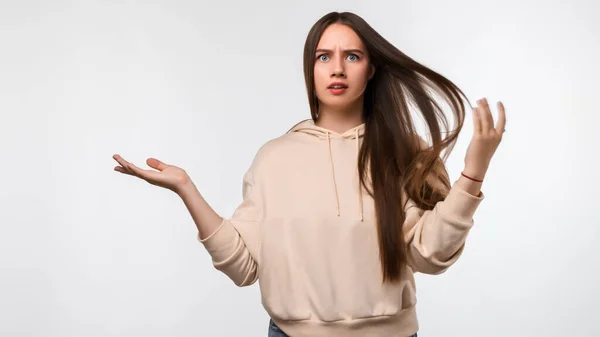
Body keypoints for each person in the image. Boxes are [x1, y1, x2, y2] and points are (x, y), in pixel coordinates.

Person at [113, 11, 506, 337]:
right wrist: (185, 188)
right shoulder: (273, 159)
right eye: (323, 57)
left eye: (352, 56)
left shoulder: (405, 151)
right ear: (310, 68)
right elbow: (243, 267)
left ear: (371, 69)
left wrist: (474, 172)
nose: (337, 68)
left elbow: (430, 255)